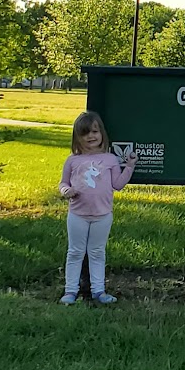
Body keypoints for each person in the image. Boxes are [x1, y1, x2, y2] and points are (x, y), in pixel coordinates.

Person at [58, 111, 135, 304]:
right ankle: (70, 291)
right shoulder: (72, 160)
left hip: (103, 215)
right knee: (75, 252)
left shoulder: (110, 159)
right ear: (77, 138)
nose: (91, 136)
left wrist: (130, 167)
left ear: (101, 133)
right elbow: (63, 183)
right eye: (85, 134)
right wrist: (67, 191)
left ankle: (98, 291)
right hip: (77, 214)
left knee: (97, 252)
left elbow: (117, 184)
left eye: (95, 131)